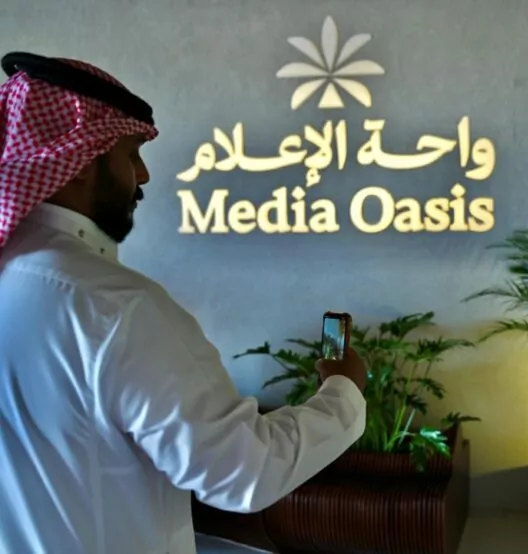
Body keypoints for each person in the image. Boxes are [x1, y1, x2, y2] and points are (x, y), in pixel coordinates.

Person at [0, 52, 368, 554]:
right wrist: (343, 390)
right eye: (130, 154)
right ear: (79, 161)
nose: (143, 175)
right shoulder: (115, 308)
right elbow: (243, 473)